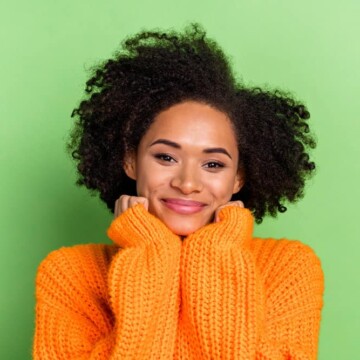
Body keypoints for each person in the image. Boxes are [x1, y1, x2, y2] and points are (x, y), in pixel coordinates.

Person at [33, 24, 324, 359]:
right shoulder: (70, 274)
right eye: (166, 157)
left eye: (213, 164)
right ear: (130, 161)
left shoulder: (287, 269)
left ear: (238, 179)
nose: (187, 183)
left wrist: (215, 248)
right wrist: (150, 252)